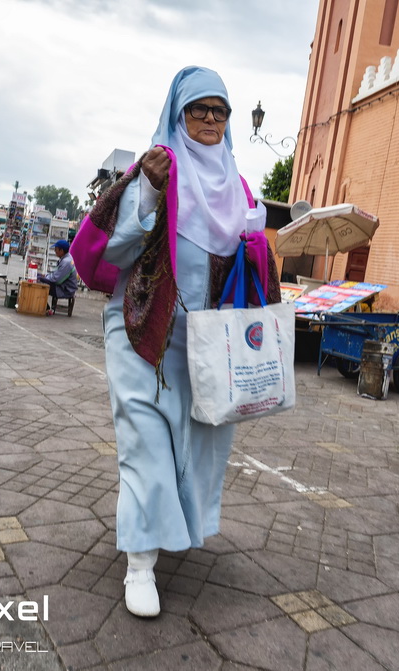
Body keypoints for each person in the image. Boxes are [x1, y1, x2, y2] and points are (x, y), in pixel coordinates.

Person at [70, 66, 281, 618]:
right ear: (178, 114)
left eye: (220, 111)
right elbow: (111, 256)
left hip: (205, 343)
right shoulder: (154, 169)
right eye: (198, 110)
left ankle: (174, 528)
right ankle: (139, 562)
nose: (210, 120)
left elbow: (247, 262)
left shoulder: (238, 188)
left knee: (197, 446)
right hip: (142, 329)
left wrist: (255, 243)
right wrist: (150, 195)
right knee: (144, 443)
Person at [38, 239, 78, 313]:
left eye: (56, 249)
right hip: (63, 286)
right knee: (39, 277)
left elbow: (57, 280)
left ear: (61, 251)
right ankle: (45, 307)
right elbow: (57, 274)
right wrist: (46, 276)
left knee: (40, 284)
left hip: (65, 289)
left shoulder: (66, 262)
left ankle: (46, 308)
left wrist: (45, 278)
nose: (55, 251)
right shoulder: (66, 258)